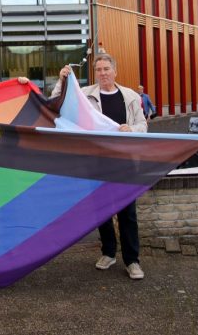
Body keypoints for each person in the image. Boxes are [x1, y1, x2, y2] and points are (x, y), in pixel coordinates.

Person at [55, 54, 147, 280]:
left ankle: (132, 260)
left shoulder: (131, 97)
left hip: (125, 163)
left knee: (128, 214)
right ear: (95, 73)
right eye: (99, 70)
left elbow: (143, 125)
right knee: (101, 211)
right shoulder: (85, 95)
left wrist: (131, 130)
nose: (103, 73)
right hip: (96, 163)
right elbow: (55, 103)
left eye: (107, 69)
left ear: (115, 71)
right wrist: (61, 80)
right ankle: (108, 252)